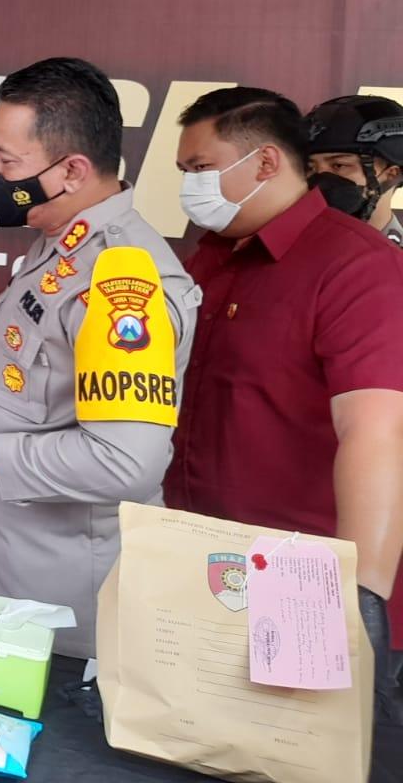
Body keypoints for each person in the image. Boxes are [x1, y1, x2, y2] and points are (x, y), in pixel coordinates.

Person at [0, 58, 198, 658]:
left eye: (7, 160)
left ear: (72, 170)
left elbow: (125, 463)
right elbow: (29, 361)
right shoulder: (62, 239)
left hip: (66, 612)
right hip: (12, 579)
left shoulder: (121, 282)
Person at [167, 86, 403, 710]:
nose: (190, 186)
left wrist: (358, 601)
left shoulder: (357, 266)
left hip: (301, 580)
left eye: (201, 168)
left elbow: (377, 432)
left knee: (296, 747)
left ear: (266, 162)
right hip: (199, 562)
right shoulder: (209, 259)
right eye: (184, 171)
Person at [305, 95, 403, 679]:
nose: (323, 182)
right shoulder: (280, 261)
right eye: (313, 167)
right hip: (299, 525)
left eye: (340, 167)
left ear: (389, 172)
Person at [305, 94, 403, 243]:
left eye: (339, 165)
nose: (320, 180)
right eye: (310, 167)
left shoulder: (396, 257)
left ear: (392, 174)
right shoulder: (283, 247)